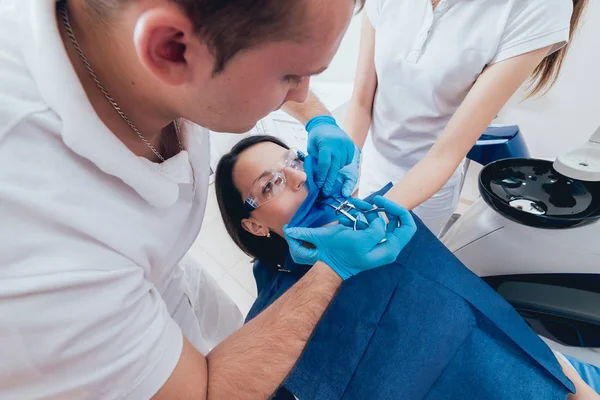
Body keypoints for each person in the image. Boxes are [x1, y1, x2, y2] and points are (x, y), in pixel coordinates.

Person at [0, 0, 416, 398]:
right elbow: (203, 392)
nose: (302, 93)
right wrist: (331, 270)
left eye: (295, 160)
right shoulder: (45, 244)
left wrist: (318, 118)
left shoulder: (129, 58)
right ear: (171, 50)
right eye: (290, 77)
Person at [214, 134, 600, 399]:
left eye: (295, 160)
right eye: (270, 185)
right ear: (253, 225)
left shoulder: (384, 225)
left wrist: (572, 385)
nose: (299, 177)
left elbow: (493, 317)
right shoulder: (272, 318)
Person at [286, 0, 589, 236]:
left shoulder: (537, 8)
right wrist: (345, 171)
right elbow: (362, 101)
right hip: (371, 166)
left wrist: (372, 217)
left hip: (427, 188)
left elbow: (444, 155)